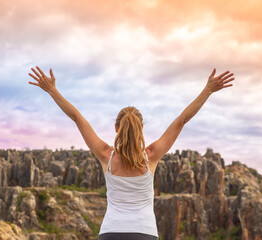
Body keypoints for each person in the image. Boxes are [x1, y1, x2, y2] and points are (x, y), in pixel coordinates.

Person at [28, 66, 235, 239]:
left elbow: (76, 117)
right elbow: (181, 120)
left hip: (111, 232)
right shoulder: (151, 155)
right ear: (141, 129)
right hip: (144, 233)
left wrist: (52, 90)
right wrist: (207, 90)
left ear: (116, 128)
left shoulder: (105, 155)